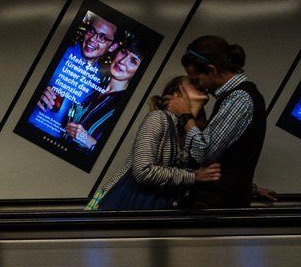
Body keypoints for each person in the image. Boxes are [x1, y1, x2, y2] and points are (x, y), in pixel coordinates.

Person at [166, 36, 270, 208]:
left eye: (196, 80)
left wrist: (185, 115)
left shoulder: (240, 98)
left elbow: (205, 153)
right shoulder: (234, 97)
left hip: (215, 208)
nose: (198, 86)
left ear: (211, 70)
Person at [89, 76, 220, 210]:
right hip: (120, 205)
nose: (200, 84)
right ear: (176, 94)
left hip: (149, 210)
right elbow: (142, 171)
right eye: (193, 82)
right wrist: (194, 176)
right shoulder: (158, 118)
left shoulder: (190, 130)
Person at [62, 34, 143, 151]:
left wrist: (86, 139)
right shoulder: (94, 83)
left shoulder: (126, 105)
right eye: (124, 52)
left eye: (133, 61)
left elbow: (116, 153)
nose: (122, 61)